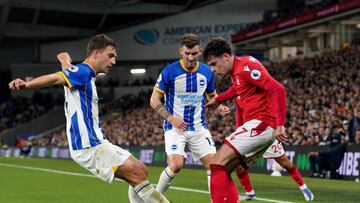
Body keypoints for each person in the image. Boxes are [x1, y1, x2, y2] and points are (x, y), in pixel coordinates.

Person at [9, 34, 169, 203]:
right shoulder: (83, 72)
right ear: (95, 53)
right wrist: (28, 84)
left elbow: (67, 72)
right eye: (110, 55)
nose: (113, 62)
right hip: (89, 145)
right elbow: (57, 77)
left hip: (96, 142)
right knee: (137, 174)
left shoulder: (81, 74)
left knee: (141, 171)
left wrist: (65, 60)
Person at [203, 37, 288, 203]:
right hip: (261, 126)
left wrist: (280, 125)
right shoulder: (238, 70)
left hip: (262, 124)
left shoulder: (245, 67)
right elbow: (237, 88)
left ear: (226, 56)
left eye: (214, 63)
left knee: (216, 164)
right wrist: (219, 99)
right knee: (226, 168)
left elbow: (278, 89)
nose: (212, 69)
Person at [150, 33, 229, 196]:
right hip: (174, 128)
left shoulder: (207, 71)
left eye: (194, 54)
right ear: (181, 51)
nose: (191, 58)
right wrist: (171, 118)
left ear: (199, 52)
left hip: (198, 127)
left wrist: (219, 105)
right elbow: (154, 99)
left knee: (214, 165)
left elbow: (212, 95)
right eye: (187, 53)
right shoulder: (169, 71)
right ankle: (155, 199)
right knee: (176, 165)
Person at [234, 106, 314, 201]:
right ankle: (250, 193)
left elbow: (277, 108)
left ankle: (304, 187)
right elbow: (239, 117)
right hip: (250, 134)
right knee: (238, 165)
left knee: (286, 163)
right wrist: (238, 131)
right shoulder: (239, 97)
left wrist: (280, 126)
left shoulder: (262, 93)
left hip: (267, 132)